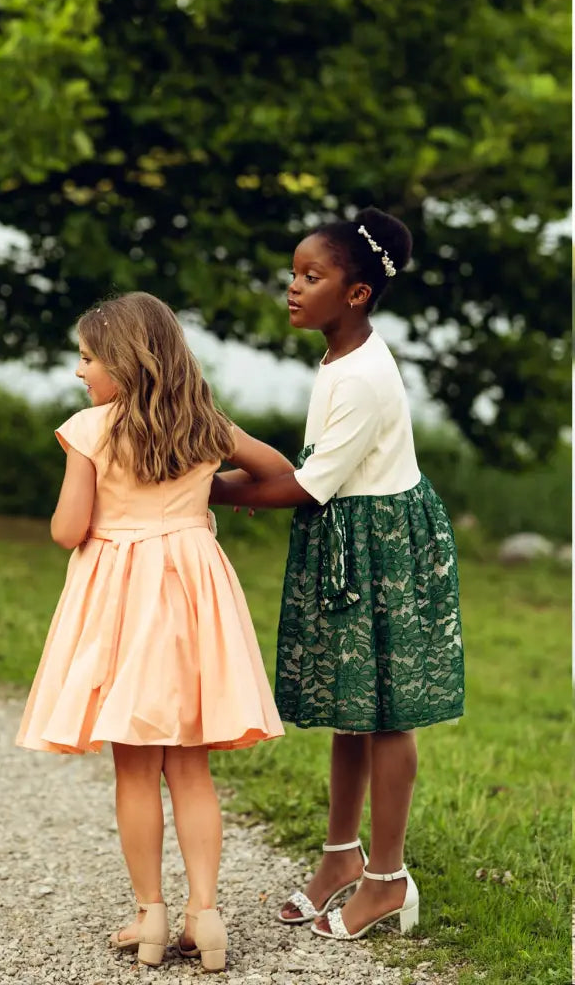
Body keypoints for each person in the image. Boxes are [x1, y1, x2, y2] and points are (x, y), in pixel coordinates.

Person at [210, 207, 464, 941]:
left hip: (382, 544)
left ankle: (387, 880)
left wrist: (216, 487)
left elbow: (307, 484)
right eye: (293, 273)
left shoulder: (363, 377)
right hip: (350, 532)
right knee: (354, 708)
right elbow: (315, 472)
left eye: (311, 276)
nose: (291, 288)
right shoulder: (336, 358)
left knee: (386, 713)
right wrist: (237, 478)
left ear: (355, 293)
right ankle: (340, 859)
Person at [16, 292, 289, 972]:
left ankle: (151, 917)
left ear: (125, 362)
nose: (80, 372)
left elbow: (67, 530)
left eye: (87, 357)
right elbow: (278, 470)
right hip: (195, 595)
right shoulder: (207, 426)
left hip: (122, 604)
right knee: (190, 765)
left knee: (136, 767)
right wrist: (210, 494)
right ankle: (207, 914)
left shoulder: (88, 430)